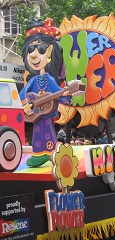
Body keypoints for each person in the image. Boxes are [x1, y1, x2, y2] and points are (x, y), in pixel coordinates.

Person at [20, 18, 71, 167]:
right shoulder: (33, 81)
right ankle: (38, 155)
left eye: (40, 50)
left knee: (48, 131)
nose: (34, 55)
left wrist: (66, 95)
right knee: (36, 134)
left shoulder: (50, 80)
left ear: (50, 53)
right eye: (30, 50)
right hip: (36, 113)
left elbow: (58, 93)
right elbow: (23, 94)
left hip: (47, 114)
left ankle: (51, 153)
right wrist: (26, 105)